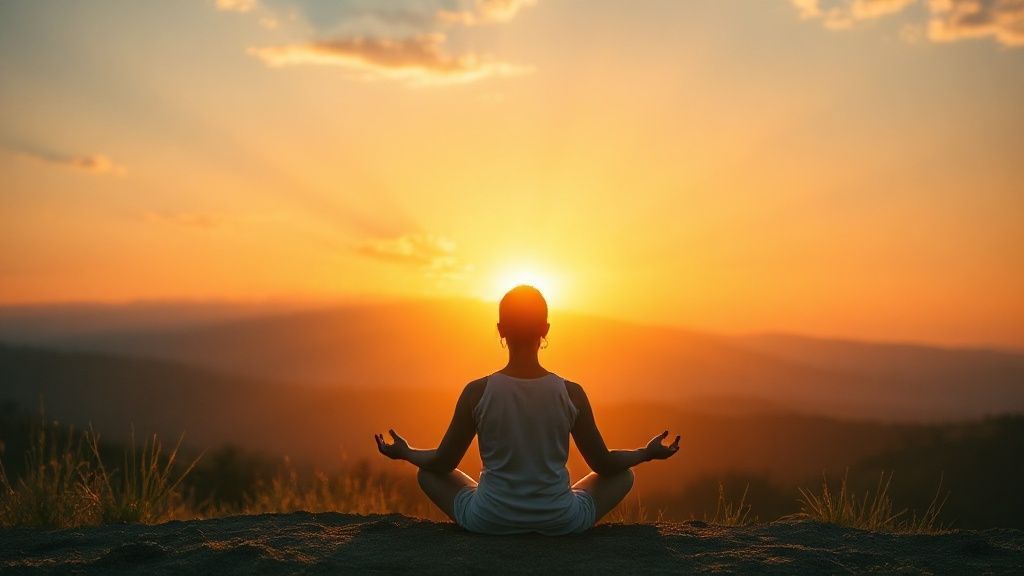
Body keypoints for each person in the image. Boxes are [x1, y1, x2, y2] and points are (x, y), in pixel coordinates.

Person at [374, 285, 680, 535]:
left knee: (426, 475)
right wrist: (646, 453)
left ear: (500, 329)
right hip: (561, 521)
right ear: (545, 329)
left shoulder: (477, 392)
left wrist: (406, 452)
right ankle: (551, 502)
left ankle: (505, 502)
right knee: (624, 476)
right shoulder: (570, 393)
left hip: (488, 520)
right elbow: (603, 464)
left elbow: (442, 462)